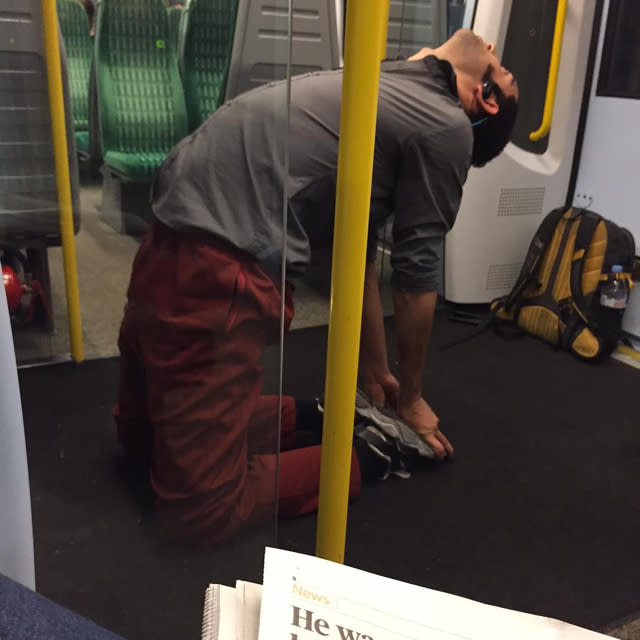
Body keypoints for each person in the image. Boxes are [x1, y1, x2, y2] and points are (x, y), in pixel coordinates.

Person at [114, 29, 519, 544]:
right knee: (138, 439)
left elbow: (410, 277)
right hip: (184, 224)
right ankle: (318, 416)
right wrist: (379, 375)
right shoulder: (394, 80)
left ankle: (363, 455)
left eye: (502, 68)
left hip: (218, 253)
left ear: (484, 97)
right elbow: (361, 261)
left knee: (197, 510)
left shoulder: (445, 126)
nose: (492, 48)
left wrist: (407, 395)